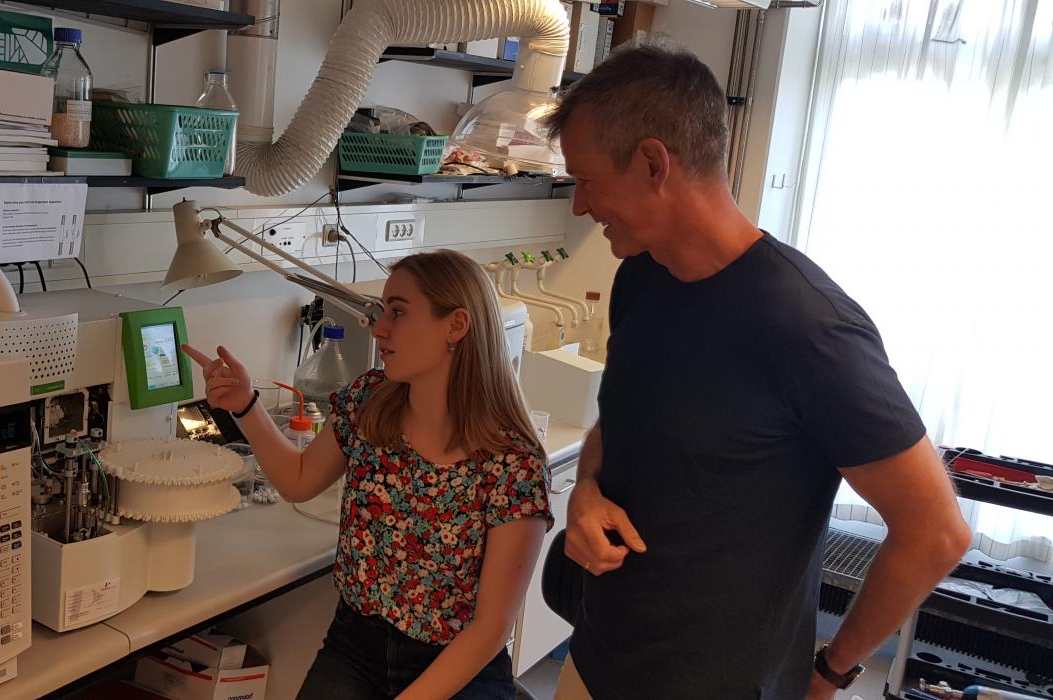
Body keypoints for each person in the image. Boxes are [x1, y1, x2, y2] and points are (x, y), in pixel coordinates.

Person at [543, 45, 972, 699]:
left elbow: (936, 532)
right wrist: (586, 489)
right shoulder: (641, 278)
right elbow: (623, 417)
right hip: (596, 661)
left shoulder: (810, 328)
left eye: (588, 180)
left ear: (654, 163)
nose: (580, 206)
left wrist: (831, 673)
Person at [182, 250, 552, 700]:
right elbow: (299, 479)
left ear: (455, 326)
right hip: (357, 646)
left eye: (398, 312)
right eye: (382, 312)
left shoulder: (512, 460)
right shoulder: (371, 401)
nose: (379, 329)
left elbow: (491, 626)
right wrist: (244, 404)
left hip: (460, 664)